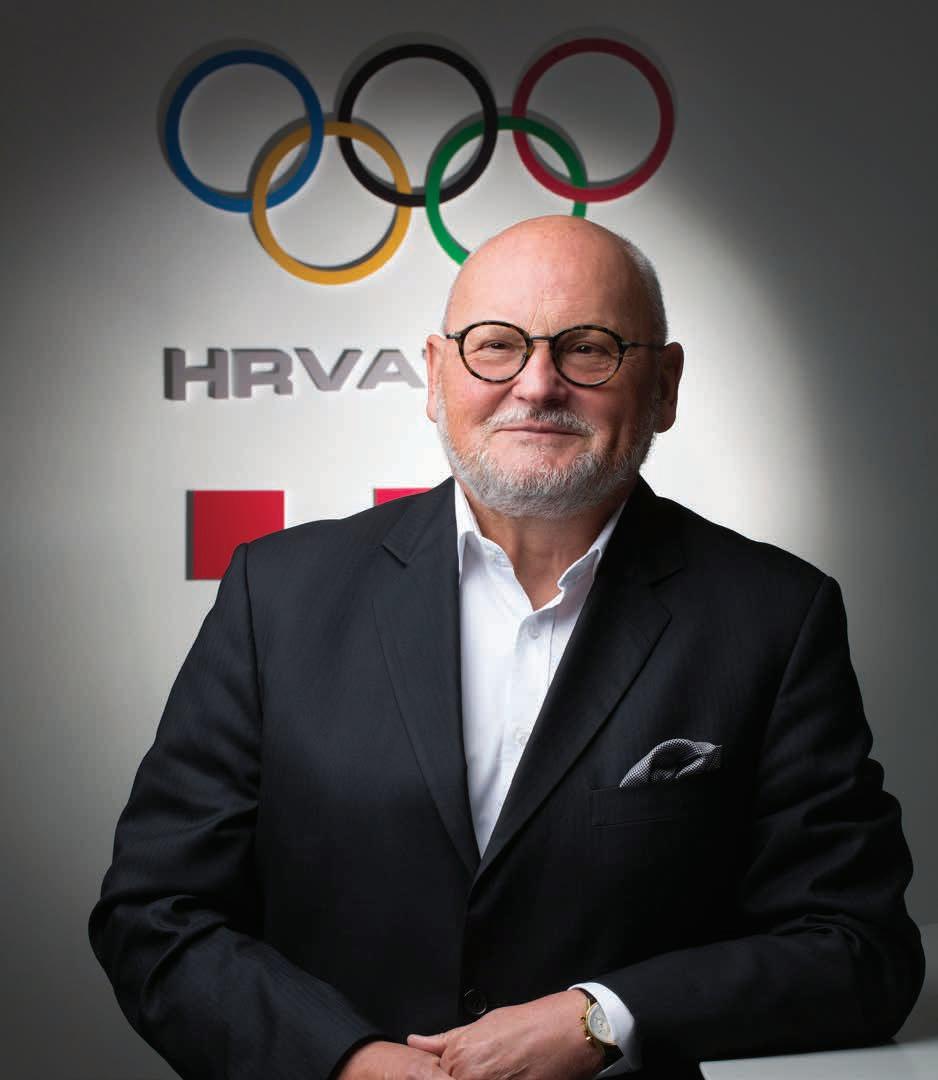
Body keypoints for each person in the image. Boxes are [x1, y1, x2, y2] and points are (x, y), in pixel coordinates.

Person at [90, 216, 924, 1080]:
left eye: (589, 349)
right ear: (435, 374)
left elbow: (858, 948)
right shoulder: (276, 594)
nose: (537, 385)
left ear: (666, 385)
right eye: (496, 346)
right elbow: (156, 915)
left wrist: (602, 1018)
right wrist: (348, 1064)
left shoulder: (775, 616)